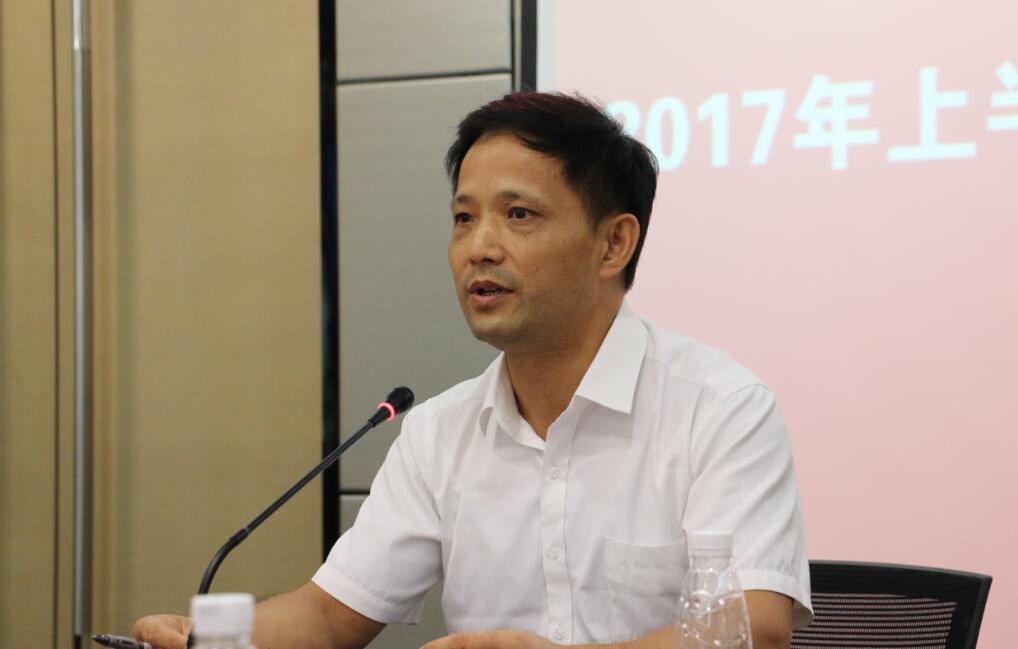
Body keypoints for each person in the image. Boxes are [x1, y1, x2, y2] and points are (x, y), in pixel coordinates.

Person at [134, 92, 811, 649]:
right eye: (463, 217)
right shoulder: (438, 432)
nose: (479, 247)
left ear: (613, 243)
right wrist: (211, 638)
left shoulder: (720, 408)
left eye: (519, 215)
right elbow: (330, 616)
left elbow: (752, 627)